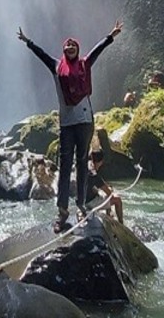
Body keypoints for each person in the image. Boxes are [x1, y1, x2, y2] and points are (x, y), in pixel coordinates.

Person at [18, 20, 123, 233]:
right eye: (67, 46)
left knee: (82, 164)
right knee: (65, 167)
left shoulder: (84, 64)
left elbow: (98, 50)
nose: (70, 48)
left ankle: (81, 205)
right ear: (64, 50)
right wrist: (28, 42)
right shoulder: (57, 67)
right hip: (67, 124)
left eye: (73, 45)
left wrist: (111, 36)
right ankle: (62, 211)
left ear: (78, 48)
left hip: (85, 121)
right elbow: (42, 55)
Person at [86, 149, 124, 224]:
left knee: (103, 193)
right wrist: (110, 190)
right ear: (100, 161)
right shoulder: (94, 174)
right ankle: (121, 224)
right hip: (89, 202)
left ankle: (108, 215)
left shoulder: (87, 166)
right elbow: (110, 194)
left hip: (83, 199)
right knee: (117, 200)